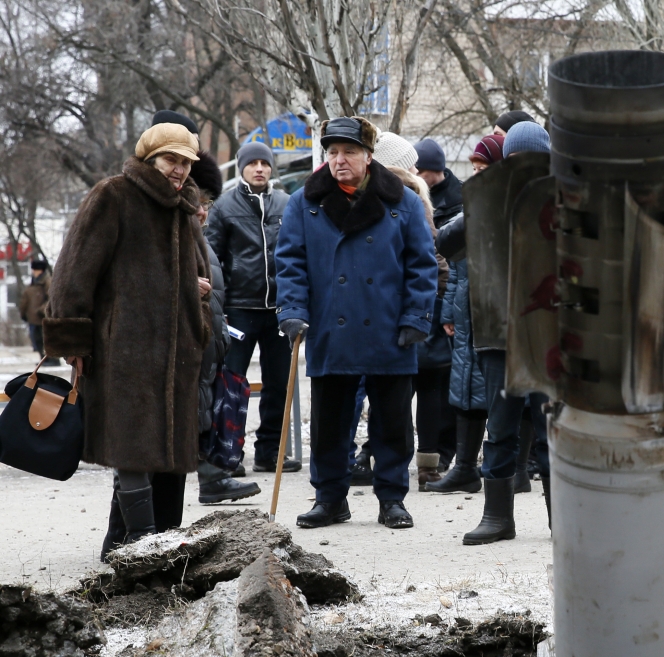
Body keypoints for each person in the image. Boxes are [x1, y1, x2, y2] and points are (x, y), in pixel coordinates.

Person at [44, 121, 211, 547]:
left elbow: (198, 279)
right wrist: (73, 340)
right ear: (149, 158)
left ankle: (146, 548)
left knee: (170, 459)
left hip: (178, 354)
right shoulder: (113, 195)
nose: (179, 170)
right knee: (132, 450)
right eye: (171, 159)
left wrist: (199, 315)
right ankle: (139, 544)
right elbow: (73, 272)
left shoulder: (185, 207)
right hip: (124, 350)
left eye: (187, 162)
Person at [274, 116, 438, 529]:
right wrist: (292, 311)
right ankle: (330, 499)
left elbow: (422, 265)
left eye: (348, 152)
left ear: (368, 156)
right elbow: (289, 263)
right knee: (330, 421)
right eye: (332, 152)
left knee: (394, 422)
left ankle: (392, 499)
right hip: (332, 327)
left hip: (389, 327)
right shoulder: (304, 202)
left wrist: (417, 317)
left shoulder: (402, 201)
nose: (339, 160)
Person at [442, 121, 553, 544]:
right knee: (501, 427)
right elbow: (445, 241)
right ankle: (497, 518)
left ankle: (561, 520)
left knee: (550, 433)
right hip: (496, 332)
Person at [205, 139, 295, 475]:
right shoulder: (225, 207)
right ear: (242, 166)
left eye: (265, 163)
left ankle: (270, 452)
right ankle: (227, 455)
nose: (259, 168)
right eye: (253, 163)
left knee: (279, 383)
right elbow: (211, 259)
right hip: (238, 309)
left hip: (279, 310)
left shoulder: (287, 204)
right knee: (231, 383)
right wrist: (220, 306)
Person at [373, 131, 454, 490]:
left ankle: (387, 460)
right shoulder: (415, 194)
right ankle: (427, 465)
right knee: (431, 386)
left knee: (394, 392)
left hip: (388, 307)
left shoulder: (383, 194)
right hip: (423, 305)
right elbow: (433, 255)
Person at [424, 137, 491, 495]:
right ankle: (465, 466)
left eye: (484, 170)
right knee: (465, 387)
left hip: (490, 314)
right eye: (475, 171)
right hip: (465, 312)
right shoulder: (474, 205)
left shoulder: (494, 205)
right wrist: (450, 309)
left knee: (494, 393)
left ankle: (510, 469)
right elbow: (455, 266)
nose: (477, 177)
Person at [18, 259, 51, 359]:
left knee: (46, 340)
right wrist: (23, 313)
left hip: (42, 317)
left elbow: (51, 299)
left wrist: (42, 310)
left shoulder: (47, 281)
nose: (33, 272)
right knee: (37, 340)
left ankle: (50, 359)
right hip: (33, 318)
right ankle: (43, 359)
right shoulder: (34, 283)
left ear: (40, 270)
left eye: (35, 269)